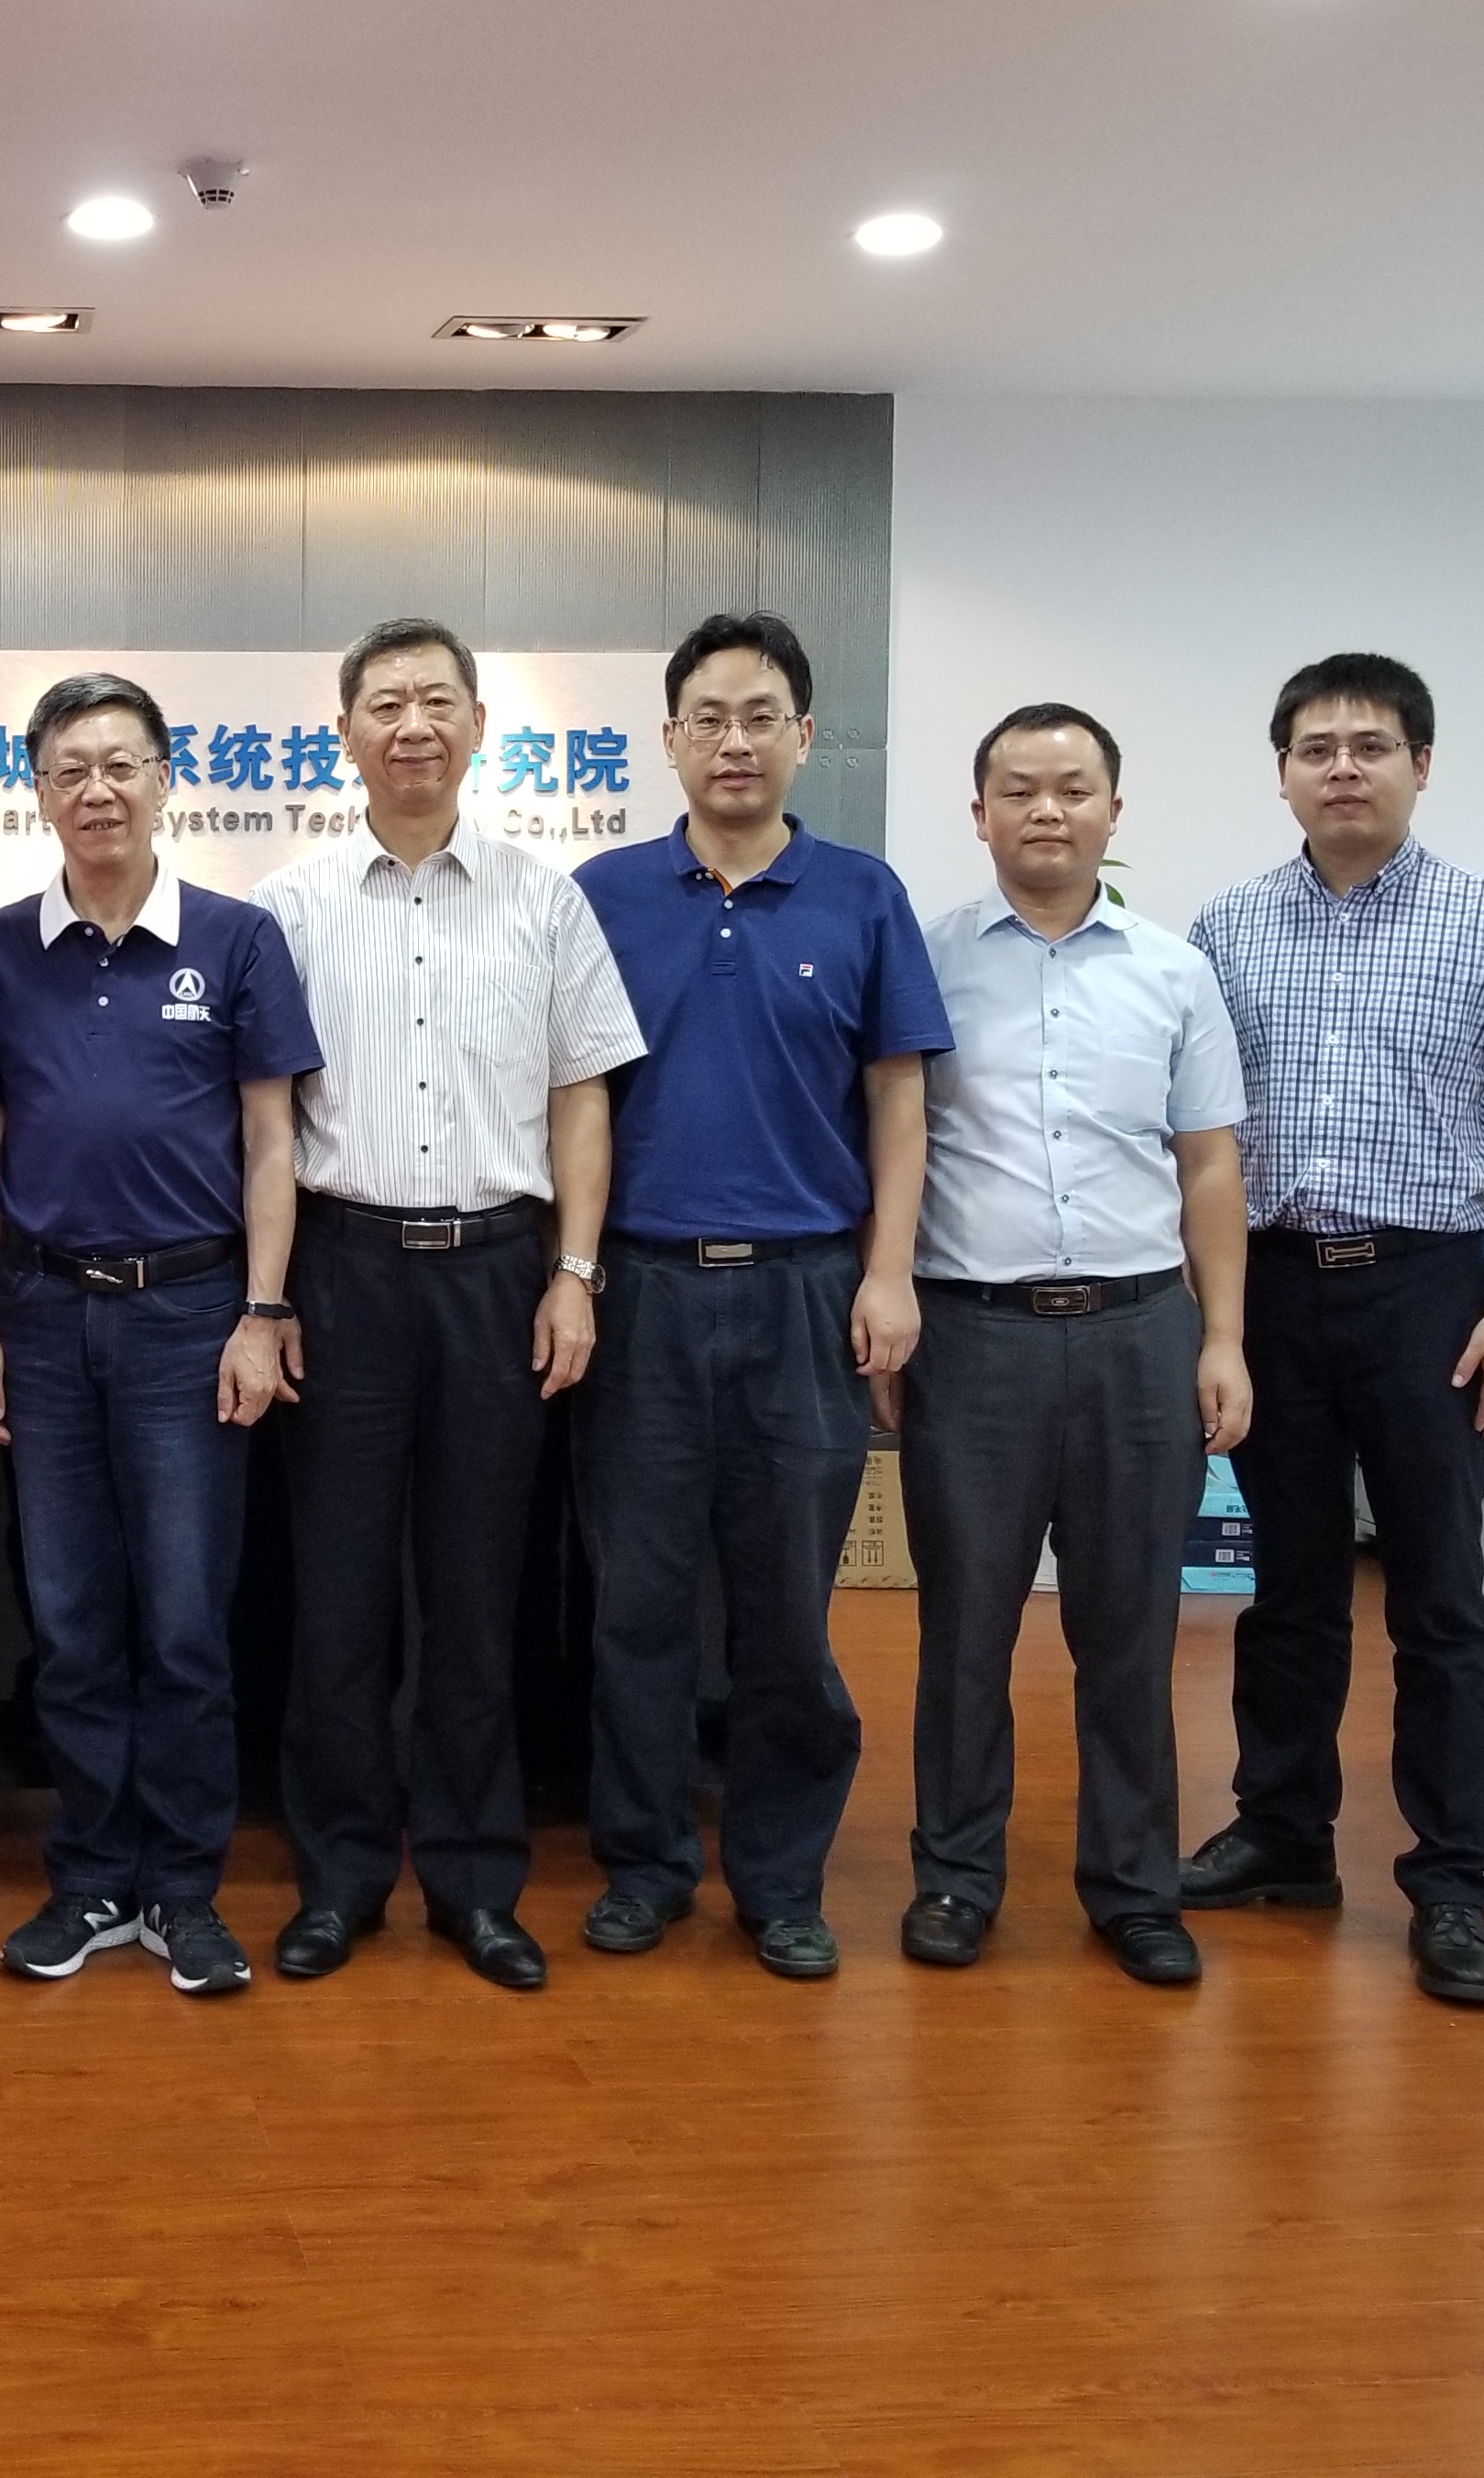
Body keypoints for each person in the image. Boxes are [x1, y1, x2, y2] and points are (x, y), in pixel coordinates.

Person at [252, 620, 641, 1991]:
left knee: (481, 1600)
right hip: (343, 1272)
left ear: (480, 726)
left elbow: (581, 1099)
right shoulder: (290, 908)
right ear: (344, 734)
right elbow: (265, 1125)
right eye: (384, 704)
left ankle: (477, 1883)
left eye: (436, 701)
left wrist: (575, 1274)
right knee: (336, 1597)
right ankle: (340, 1878)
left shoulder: (547, 902)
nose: (411, 725)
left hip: (497, 1275)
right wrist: (269, 1298)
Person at [1182, 653, 1484, 2008]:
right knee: (1287, 1585)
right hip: (1276, 1286)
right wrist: (1217, 1317)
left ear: (1421, 764)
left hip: (1429, 1294)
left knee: (1437, 1595)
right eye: (1317, 748)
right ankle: (1284, 1833)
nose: (1343, 768)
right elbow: (1206, 1138)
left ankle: (1453, 1879)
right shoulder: (1227, 926)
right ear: (1283, 772)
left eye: (1372, 745)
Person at [573, 611, 949, 1981]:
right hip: (642, 1294)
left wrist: (889, 1272)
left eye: (761, 718)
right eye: (709, 719)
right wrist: (574, 1275)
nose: (735, 742)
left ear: (803, 736)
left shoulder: (863, 896)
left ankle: (782, 1879)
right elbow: (576, 1104)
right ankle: (645, 1863)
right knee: (639, 1603)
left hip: (804, 1294)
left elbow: (897, 1100)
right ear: (670, 739)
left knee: (789, 1609)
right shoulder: (602, 895)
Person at [0, 672, 323, 1999]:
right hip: (44, 1317)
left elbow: (272, 1139)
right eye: (70, 769)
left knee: (184, 1623)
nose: (96, 791)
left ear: (166, 780)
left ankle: (184, 1889)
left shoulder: (236, 938)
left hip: (191, 1319)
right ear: (38, 792)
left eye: (121, 765)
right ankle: (92, 1879)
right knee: (70, 1619)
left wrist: (262, 1309)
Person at [900, 704, 1251, 1987]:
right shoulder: (923, 962)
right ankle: (956, 1877)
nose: (1045, 810)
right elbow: (894, 1142)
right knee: (965, 1631)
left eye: (1071, 788)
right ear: (978, 811)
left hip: (1138, 1335)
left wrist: (1224, 1339)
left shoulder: (1174, 971)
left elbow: (1209, 1165)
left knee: (1130, 1631)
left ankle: (1134, 1890)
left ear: (1113, 809)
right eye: (1018, 789)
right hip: (972, 1338)